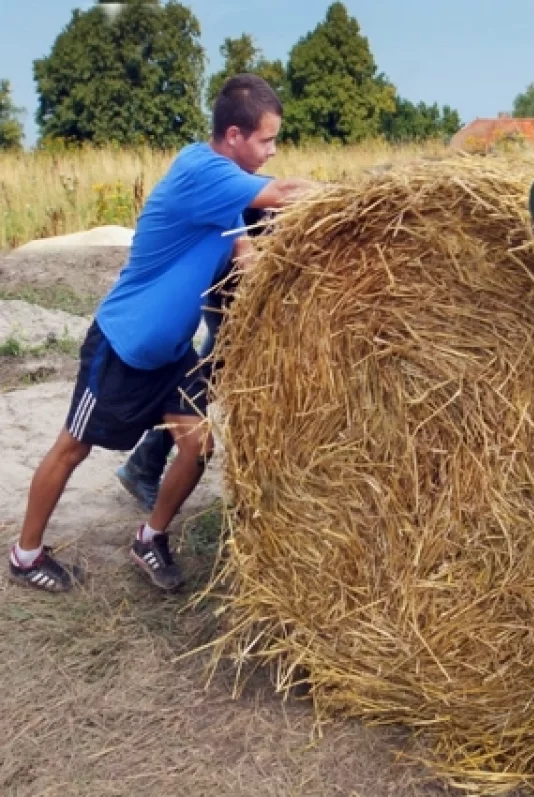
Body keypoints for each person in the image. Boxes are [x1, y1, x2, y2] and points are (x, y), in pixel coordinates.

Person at [8, 73, 316, 594]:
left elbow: (243, 250)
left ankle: (149, 537)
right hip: (124, 345)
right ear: (235, 135)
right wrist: (365, 201)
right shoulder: (204, 171)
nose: (272, 150)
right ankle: (25, 553)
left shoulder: (227, 197)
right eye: (266, 139)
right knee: (72, 448)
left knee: (198, 446)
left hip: (171, 354)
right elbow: (285, 193)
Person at [115, 204, 274, 510]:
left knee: (209, 378)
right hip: (234, 294)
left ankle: (144, 463)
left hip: (235, 292)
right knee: (206, 380)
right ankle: (143, 465)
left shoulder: (256, 193)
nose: (271, 152)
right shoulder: (245, 193)